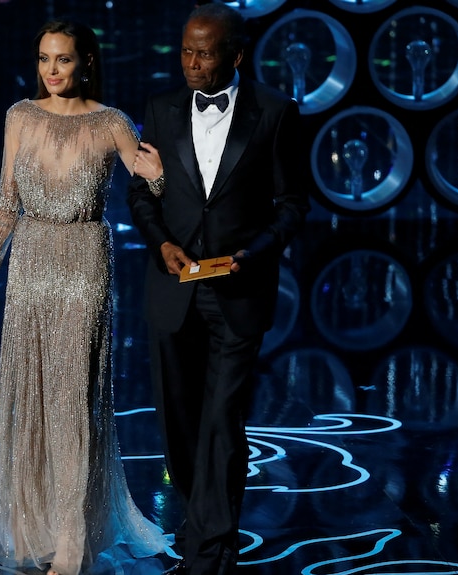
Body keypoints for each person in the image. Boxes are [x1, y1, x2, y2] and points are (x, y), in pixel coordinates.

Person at [0, 18, 176, 575]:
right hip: (31, 258)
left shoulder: (111, 122)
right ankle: (36, 526)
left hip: (84, 261)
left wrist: (156, 177)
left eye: (62, 59)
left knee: (73, 397)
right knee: (32, 393)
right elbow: (7, 200)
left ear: (85, 62)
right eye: (43, 59)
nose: (52, 70)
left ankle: (72, 540)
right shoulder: (20, 115)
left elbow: (145, 175)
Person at [127, 4, 311, 575]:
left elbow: (293, 204)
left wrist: (253, 253)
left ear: (235, 55)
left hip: (239, 288)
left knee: (222, 422)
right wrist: (160, 243)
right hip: (173, 287)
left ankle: (212, 549)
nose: (191, 63)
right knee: (180, 425)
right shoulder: (158, 110)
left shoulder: (277, 113)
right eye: (185, 50)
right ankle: (201, 521)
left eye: (204, 53)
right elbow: (141, 195)